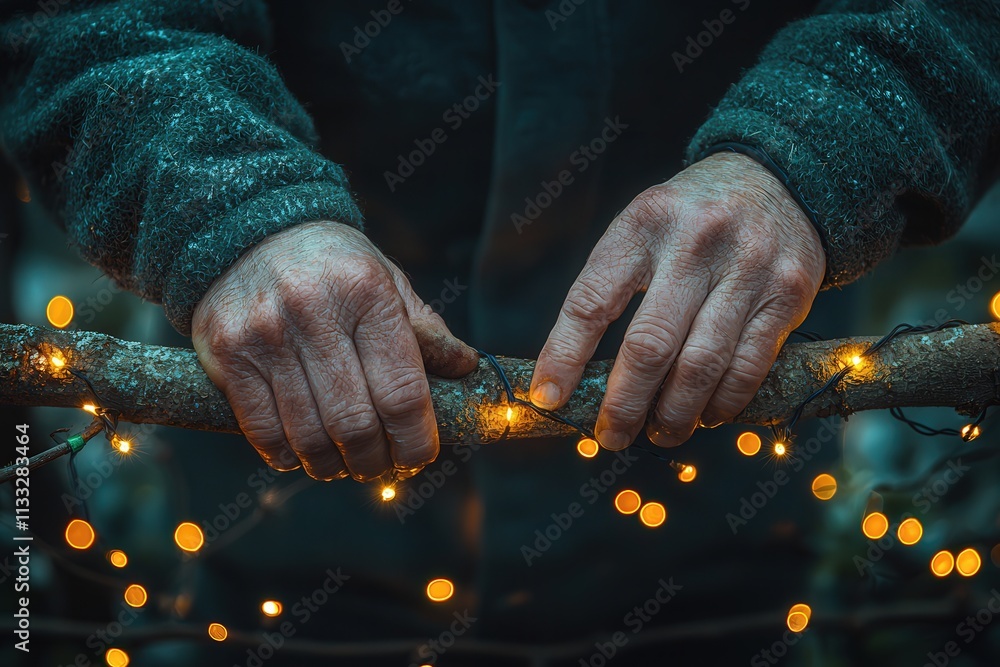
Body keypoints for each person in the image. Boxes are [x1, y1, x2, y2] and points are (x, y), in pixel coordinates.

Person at [2, 0, 998, 662]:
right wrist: (233, 210)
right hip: (292, 557)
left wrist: (804, 156)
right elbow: (91, 17)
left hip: (725, 555)